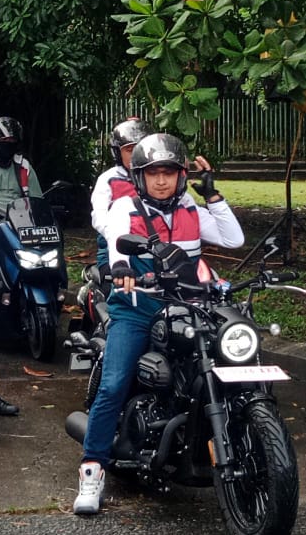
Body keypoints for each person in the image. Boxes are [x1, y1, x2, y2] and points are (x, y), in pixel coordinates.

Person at [73, 133, 244, 515]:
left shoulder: (191, 211)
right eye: (153, 173)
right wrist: (120, 268)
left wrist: (213, 195)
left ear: (181, 176)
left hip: (187, 309)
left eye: (169, 172)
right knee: (115, 383)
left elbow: (234, 239)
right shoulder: (125, 207)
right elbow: (118, 241)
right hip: (137, 309)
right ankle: (92, 470)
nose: (162, 181)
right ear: (140, 177)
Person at [90, 118, 149, 267]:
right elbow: (99, 217)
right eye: (129, 150)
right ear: (117, 152)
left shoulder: (158, 178)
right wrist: (118, 235)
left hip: (154, 245)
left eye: (140, 148)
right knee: (113, 285)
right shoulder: (108, 179)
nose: (135, 154)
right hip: (114, 245)